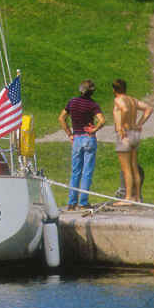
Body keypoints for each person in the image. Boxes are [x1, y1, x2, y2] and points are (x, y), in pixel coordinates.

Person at [58, 79, 105, 210]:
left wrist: (69, 134)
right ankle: (83, 202)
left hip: (77, 138)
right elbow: (102, 120)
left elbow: (61, 118)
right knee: (87, 172)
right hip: (89, 138)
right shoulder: (93, 105)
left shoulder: (72, 102)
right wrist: (95, 129)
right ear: (92, 92)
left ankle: (71, 203)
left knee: (75, 172)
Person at [112, 79, 152, 205]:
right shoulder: (133, 100)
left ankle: (128, 198)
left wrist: (120, 126)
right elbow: (148, 108)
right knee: (134, 167)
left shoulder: (118, 100)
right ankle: (137, 197)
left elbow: (124, 109)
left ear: (114, 90)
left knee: (126, 169)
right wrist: (139, 123)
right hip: (135, 134)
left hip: (125, 135)